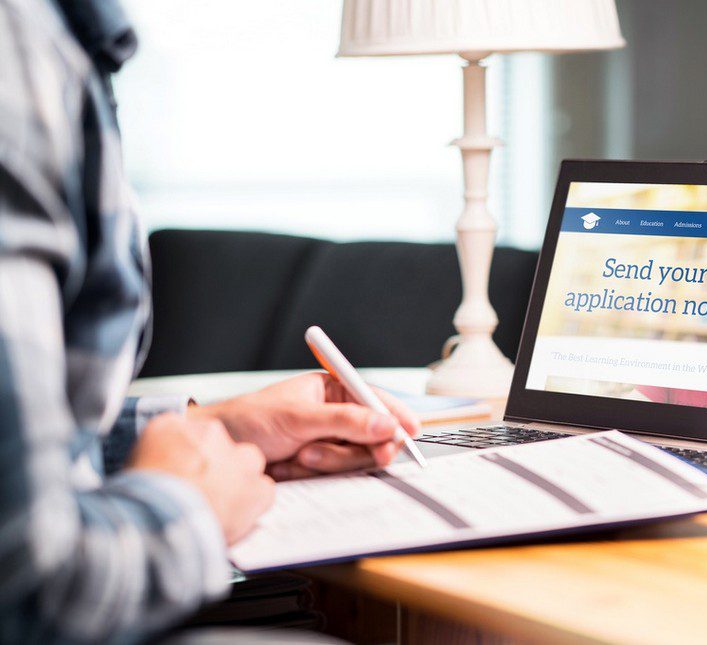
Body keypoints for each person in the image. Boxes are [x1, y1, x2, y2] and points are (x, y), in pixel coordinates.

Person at [0, 0, 420, 642]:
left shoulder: (65, 43)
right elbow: (30, 592)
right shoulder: (21, 49)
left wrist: (209, 430)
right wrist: (187, 503)